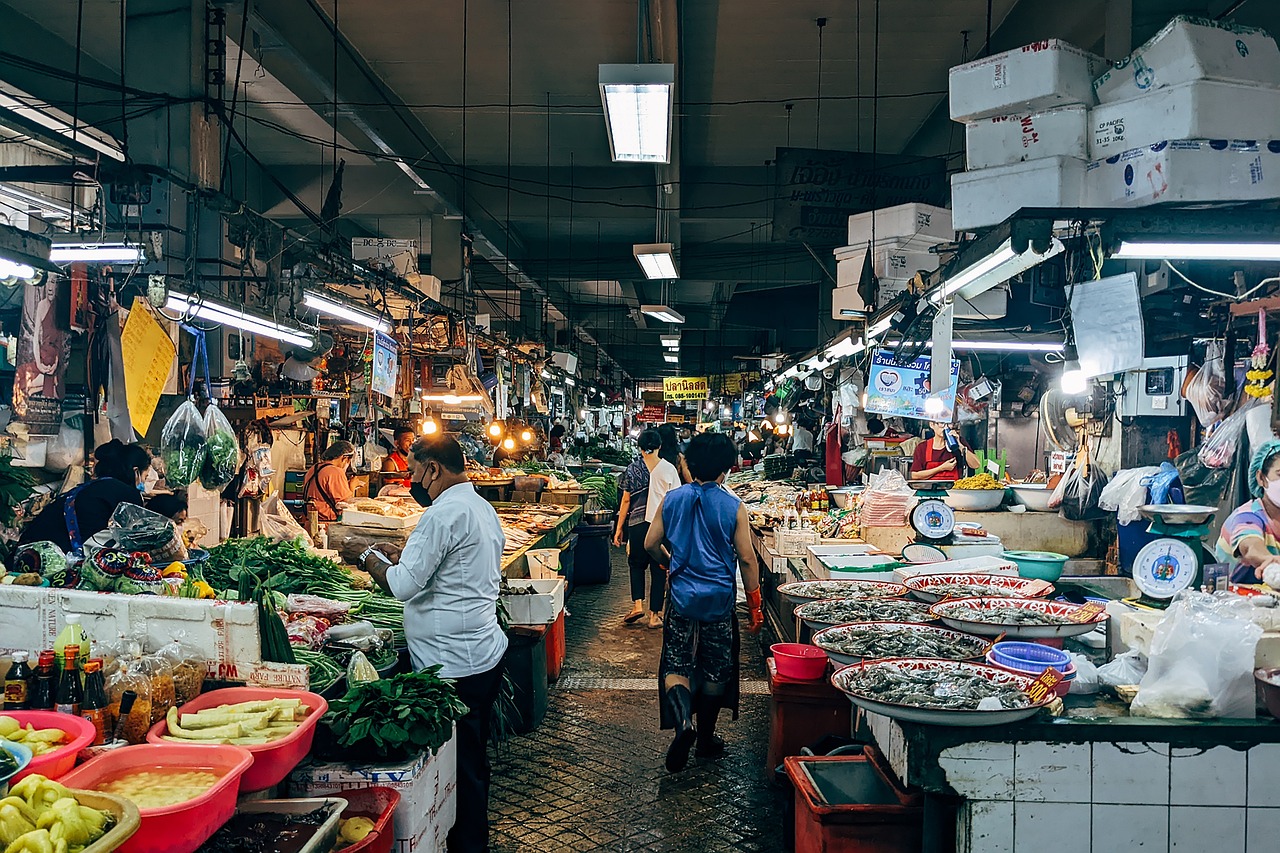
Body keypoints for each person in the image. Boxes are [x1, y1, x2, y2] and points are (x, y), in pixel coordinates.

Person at [359, 435, 507, 853]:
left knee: (460, 764)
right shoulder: (480, 507)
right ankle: (470, 837)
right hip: (482, 654)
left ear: (434, 470)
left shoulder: (442, 514)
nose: (412, 480)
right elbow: (448, 569)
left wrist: (370, 558)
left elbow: (404, 586)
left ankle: (468, 843)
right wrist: (403, 553)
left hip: (452, 664)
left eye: (414, 471)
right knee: (472, 758)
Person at [645, 433, 763, 773]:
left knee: (676, 664)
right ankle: (707, 739)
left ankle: (684, 724)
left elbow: (651, 543)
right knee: (716, 667)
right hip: (718, 600)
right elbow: (747, 558)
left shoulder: (673, 499)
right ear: (725, 470)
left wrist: (669, 561)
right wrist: (755, 605)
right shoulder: (733, 506)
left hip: (681, 597)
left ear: (689, 464)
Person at [19, 440, 150, 553]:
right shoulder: (128, 494)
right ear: (136, 471)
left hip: (29, 551)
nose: (144, 483)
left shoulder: (92, 487)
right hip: (52, 558)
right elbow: (136, 539)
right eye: (145, 477)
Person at [614, 429, 681, 628]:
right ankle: (654, 616)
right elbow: (676, 501)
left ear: (640, 447)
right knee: (659, 568)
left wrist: (619, 529)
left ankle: (637, 606)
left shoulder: (632, 469)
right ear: (659, 446)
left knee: (636, 564)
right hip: (661, 527)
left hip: (636, 525)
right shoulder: (669, 469)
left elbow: (626, 500)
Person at [1216, 440, 1280, 583]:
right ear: (1261, 478)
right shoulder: (1247, 516)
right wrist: (1267, 560)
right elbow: (1250, 546)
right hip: (1235, 600)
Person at [303, 441, 356, 522]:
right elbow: (345, 504)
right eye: (348, 461)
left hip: (310, 521)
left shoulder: (314, 468)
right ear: (344, 458)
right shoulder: (335, 472)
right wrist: (353, 485)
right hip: (327, 524)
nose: (347, 464)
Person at [910, 420, 981, 481]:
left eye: (949, 423)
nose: (946, 427)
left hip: (956, 493)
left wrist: (960, 445)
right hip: (931, 492)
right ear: (932, 424)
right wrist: (941, 468)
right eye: (941, 423)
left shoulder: (959, 441)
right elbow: (915, 476)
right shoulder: (922, 447)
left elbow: (976, 465)